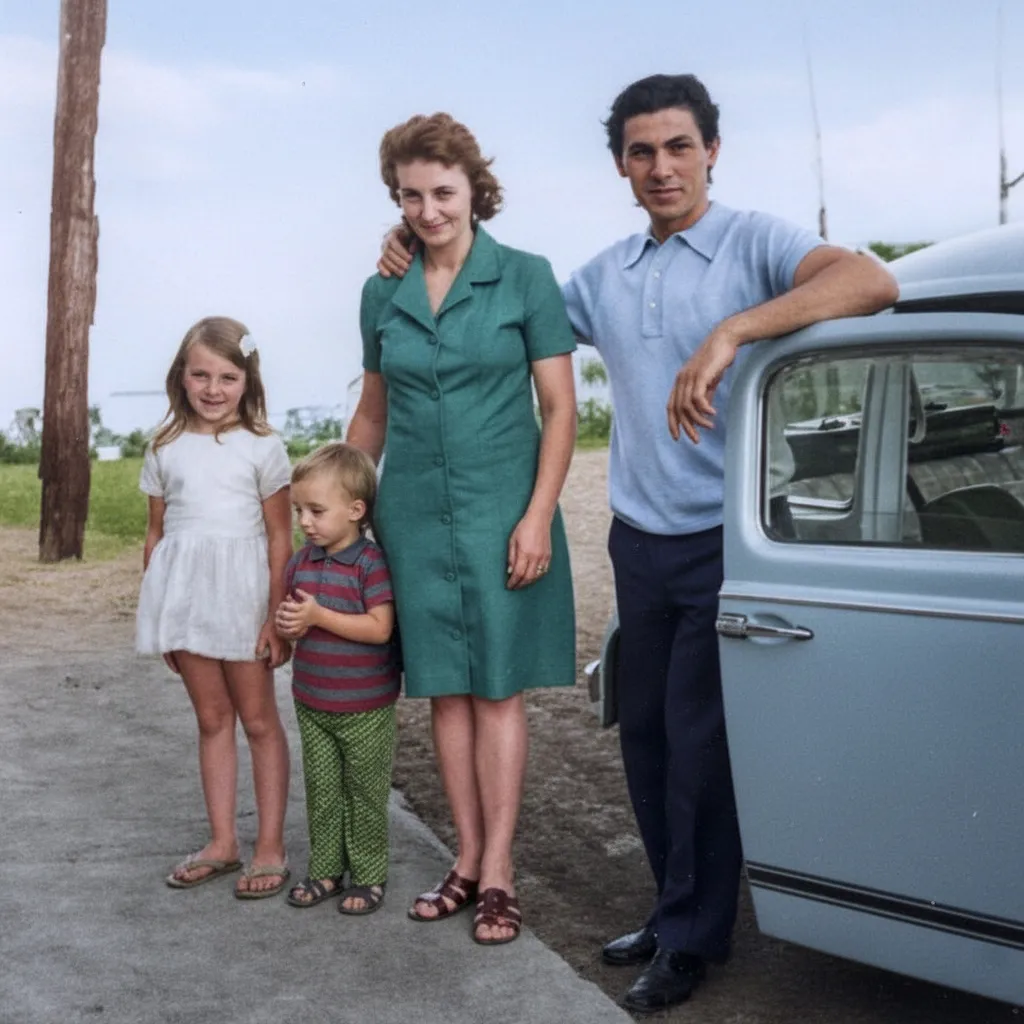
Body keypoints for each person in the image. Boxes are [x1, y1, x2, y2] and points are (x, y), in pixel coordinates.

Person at [378, 75, 898, 1007]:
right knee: (648, 738)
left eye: (679, 146)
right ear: (621, 164)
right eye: (642, 151)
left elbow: (872, 281)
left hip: (730, 537)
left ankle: (694, 940)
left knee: (698, 744)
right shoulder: (604, 274)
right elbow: (498, 309)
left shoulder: (755, 241)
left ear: (712, 151)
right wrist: (416, 244)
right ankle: (672, 910)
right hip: (640, 538)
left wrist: (732, 330)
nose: (662, 167)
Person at [347, 112, 578, 945]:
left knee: (498, 689)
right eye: (410, 196)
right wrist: (339, 508)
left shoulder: (526, 277)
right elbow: (373, 415)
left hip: (502, 512)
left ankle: (502, 871)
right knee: (445, 690)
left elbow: (560, 410)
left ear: (475, 189)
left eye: (442, 192)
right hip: (412, 517)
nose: (428, 211)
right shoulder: (382, 291)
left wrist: (537, 517)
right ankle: (467, 860)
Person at [137, 316, 293, 899]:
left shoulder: (263, 446)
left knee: (259, 720)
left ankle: (270, 845)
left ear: (248, 381)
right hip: (187, 604)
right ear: (181, 375)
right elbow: (157, 536)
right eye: (201, 375)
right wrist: (162, 618)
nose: (213, 389)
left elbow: (280, 538)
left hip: (244, 602)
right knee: (211, 720)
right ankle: (223, 842)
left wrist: (275, 616)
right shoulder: (164, 446)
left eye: (228, 377)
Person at [274, 442, 399, 915]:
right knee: (323, 791)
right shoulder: (301, 562)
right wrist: (290, 625)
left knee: (364, 793)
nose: (305, 522)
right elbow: (296, 620)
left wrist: (318, 616)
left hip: (365, 707)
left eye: (316, 511)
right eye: (299, 511)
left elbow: (379, 628)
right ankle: (326, 870)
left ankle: (368, 876)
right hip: (312, 701)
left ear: (355, 510)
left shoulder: (370, 564)